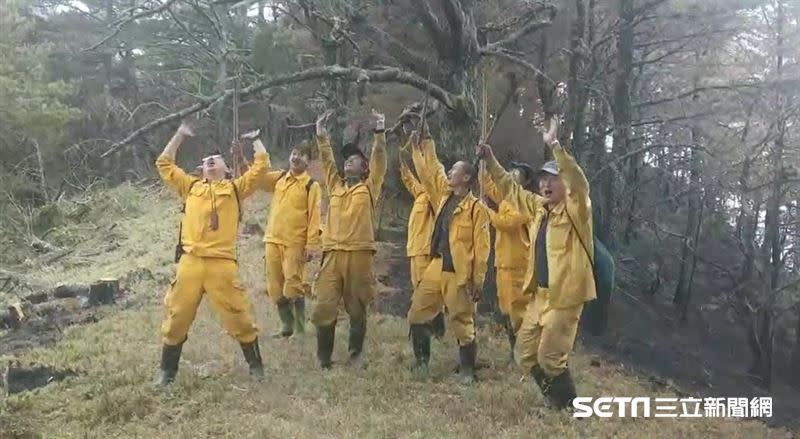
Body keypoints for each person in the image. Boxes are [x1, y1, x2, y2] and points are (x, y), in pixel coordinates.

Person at [476, 117, 596, 408]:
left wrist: (554, 145)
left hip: (565, 296)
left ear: (564, 184)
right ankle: (553, 398)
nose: (546, 184)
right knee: (526, 353)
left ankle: (569, 408)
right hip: (539, 296)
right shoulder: (539, 209)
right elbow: (512, 190)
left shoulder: (577, 211)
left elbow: (577, 180)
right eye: (543, 179)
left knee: (551, 358)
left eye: (553, 178)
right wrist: (491, 161)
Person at [154, 121, 268, 386]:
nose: (210, 162)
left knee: (238, 314)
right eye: (206, 161)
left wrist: (256, 139)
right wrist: (180, 135)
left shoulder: (236, 189)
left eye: (215, 159)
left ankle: (256, 366)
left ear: (227, 169)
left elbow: (261, 168)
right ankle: (166, 373)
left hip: (222, 264)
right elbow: (164, 163)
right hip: (190, 263)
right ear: (201, 170)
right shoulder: (190, 187)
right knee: (177, 315)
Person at [407, 127, 490, 384]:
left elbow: (482, 248)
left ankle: (467, 370)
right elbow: (432, 169)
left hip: (460, 273)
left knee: (462, 322)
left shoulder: (477, 209)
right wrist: (426, 140)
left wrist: (477, 280)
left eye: (455, 170)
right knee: (417, 313)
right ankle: (421, 361)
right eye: (451, 169)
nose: (450, 172)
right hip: (436, 264)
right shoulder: (444, 196)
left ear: (466, 178)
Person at [311, 109, 387, 369]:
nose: (347, 163)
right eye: (347, 161)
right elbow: (327, 161)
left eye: (353, 160)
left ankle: (355, 355)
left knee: (356, 307)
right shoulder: (335, 186)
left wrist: (380, 132)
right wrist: (321, 134)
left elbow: (379, 159)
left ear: (364, 167)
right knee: (324, 305)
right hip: (332, 254)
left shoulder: (370, 186)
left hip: (359, 254)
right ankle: (324, 359)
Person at [257, 142, 322, 338]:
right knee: (274, 287)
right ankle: (286, 326)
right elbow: (257, 179)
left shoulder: (311, 186)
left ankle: (300, 329)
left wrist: (311, 245)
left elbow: (315, 217)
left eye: (301, 155)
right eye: (294, 153)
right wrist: (243, 158)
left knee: (293, 285)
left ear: (308, 162)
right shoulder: (279, 178)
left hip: (295, 243)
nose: (296, 158)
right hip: (272, 240)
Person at [479, 162, 534, 359]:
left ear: (524, 182)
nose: (510, 176)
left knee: (518, 312)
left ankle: (525, 354)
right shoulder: (505, 198)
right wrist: (483, 165)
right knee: (506, 310)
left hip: (518, 264)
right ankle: (515, 352)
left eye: (515, 174)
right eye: (509, 173)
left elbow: (507, 223)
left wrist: (488, 211)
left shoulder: (526, 202)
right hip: (503, 263)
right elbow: (487, 185)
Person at [398, 139, 445, 338]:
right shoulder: (420, 195)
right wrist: (401, 161)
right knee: (418, 291)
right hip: (415, 251)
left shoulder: (437, 197)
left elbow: (425, 175)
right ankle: (426, 330)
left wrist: (416, 150)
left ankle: (434, 330)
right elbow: (410, 180)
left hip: (427, 252)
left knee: (427, 295)